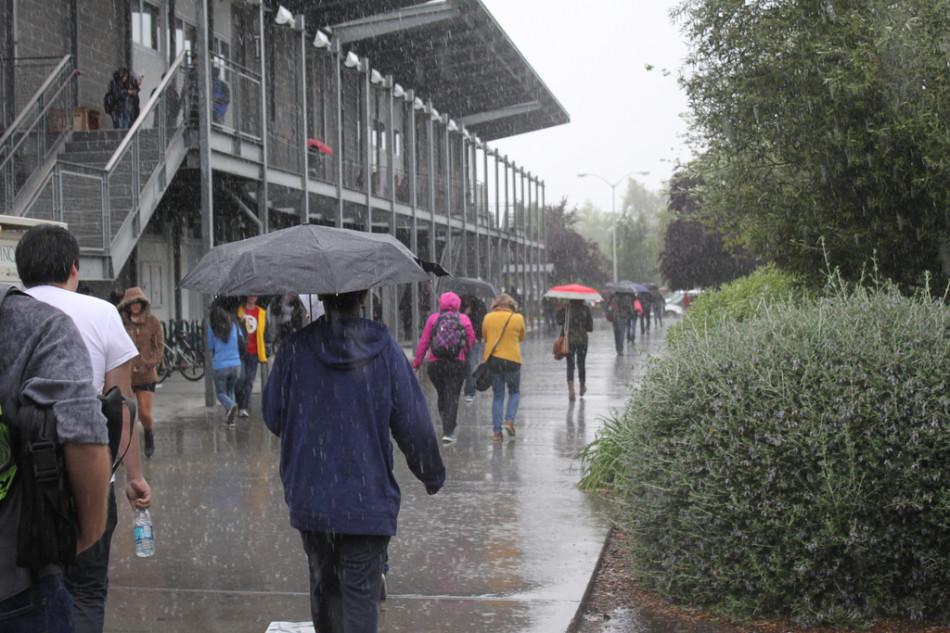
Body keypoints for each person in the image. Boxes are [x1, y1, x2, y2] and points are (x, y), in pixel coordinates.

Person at [262, 289, 445, 633]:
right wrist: (431, 473)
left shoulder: (295, 349)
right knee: (360, 598)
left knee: (324, 590)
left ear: (321, 296)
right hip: (367, 501)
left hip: (312, 501)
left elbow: (273, 417)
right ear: (363, 295)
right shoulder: (385, 349)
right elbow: (415, 424)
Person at [15, 225, 152, 633]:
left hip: (16, 481)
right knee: (87, 587)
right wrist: (135, 478)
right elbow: (121, 406)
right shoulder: (100, 313)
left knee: (23, 589)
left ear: (21, 270)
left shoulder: (9, 311)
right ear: (74, 268)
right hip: (85, 474)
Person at [0, 286, 112, 631]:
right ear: (73, 268)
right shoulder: (38, 325)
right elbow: (83, 434)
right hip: (16, 579)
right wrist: (89, 531)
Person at [412, 291, 476, 445]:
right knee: (452, 395)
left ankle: (445, 419)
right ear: (458, 304)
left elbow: (424, 342)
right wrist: (463, 350)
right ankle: (449, 431)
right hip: (456, 363)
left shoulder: (433, 319)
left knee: (443, 393)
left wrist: (417, 363)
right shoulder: (463, 319)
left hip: (436, 365)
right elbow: (471, 340)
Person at [117, 287, 164, 460]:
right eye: (132, 304)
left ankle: (149, 434)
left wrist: (150, 362)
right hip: (126, 375)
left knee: (144, 412)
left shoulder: (152, 322)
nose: (135, 307)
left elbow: (159, 346)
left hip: (146, 374)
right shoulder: (121, 323)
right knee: (125, 415)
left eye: (138, 303)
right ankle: (124, 449)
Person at [481, 293, 526, 442]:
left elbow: (485, 337)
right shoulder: (518, 318)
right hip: (513, 360)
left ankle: (496, 433)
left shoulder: (488, 317)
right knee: (514, 392)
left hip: (494, 361)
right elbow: (521, 337)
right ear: (511, 305)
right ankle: (509, 420)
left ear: (495, 305)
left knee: (498, 396)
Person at [207, 303, 242, 425]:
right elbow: (241, 339)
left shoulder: (212, 327)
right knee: (230, 390)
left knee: (221, 393)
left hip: (220, 365)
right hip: (236, 364)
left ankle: (231, 406)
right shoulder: (234, 324)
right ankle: (231, 422)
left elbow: (210, 346)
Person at [556, 299, 594, 401]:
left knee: (570, 365)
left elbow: (559, 321)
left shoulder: (567, 309)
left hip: (569, 340)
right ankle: (582, 385)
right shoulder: (586, 309)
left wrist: (561, 309)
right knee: (581, 363)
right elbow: (590, 327)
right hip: (582, 340)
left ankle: (571, 389)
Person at [236, 295, 267, 417]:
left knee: (249, 381)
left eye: (255, 295)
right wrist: (240, 321)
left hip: (254, 352)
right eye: (251, 294)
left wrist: (266, 348)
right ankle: (238, 402)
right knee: (240, 379)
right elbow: (234, 328)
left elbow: (265, 332)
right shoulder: (239, 311)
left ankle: (243, 407)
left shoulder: (261, 313)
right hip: (241, 351)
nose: (253, 297)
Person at [460, 295, 487, 404]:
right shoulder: (459, 304)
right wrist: (465, 314)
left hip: (475, 340)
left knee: (472, 366)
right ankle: (465, 390)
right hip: (461, 341)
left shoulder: (479, 305)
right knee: (464, 366)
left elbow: (482, 322)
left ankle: (469, 392)